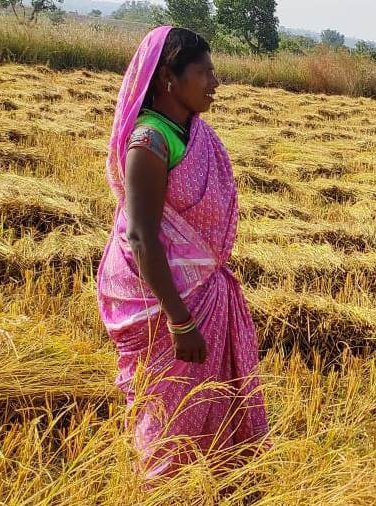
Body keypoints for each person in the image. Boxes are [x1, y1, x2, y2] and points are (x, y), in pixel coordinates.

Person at [96, 26, 268, 481]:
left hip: (203, 289)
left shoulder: (192, 132)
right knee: (169, 408)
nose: (215, 83)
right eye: (204, 72)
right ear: (168, 79)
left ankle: (212, 484)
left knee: (210, 399)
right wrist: (180, 319)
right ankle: (165, 487)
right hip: (166, 302)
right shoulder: (149, 142)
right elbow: (142, 237)